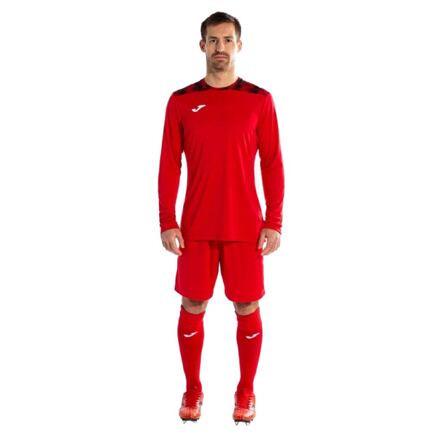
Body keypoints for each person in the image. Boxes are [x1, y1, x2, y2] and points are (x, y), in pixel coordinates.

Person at [157, 11, 285, 425]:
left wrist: (273, 221)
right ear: (202, 46)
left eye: (228, 40)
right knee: (192, 303)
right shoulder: (181, 101)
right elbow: (168, 165)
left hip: (245, 227)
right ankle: (193, 389)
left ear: (239, 45)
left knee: (247, 305)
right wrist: (167, 220)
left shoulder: (259, 100)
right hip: (195, 228)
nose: (220, 48)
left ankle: (246, 391)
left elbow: (272, 163)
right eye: (213, 40)